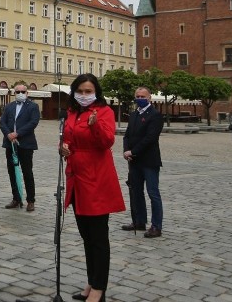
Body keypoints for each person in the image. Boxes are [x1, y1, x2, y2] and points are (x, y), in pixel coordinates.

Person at [60, 73, 125, 302]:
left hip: (96, 179)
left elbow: (107, 141)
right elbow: (67, 138)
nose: (84, 95)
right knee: (86, 236)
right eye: (81, 91)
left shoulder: (103, 112)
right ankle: (91, 281)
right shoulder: (71, 112)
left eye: (88, 91)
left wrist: (96, 125)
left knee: (98, 237)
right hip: (76, 179)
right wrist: (63, 148)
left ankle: (99, 288)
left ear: (95, 92)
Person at [123, 86, 164, 238]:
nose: (139, 98)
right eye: (137, 96)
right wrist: (126, 150)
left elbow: (150, 138)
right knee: (135, 192)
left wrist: (133, 151)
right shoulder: (133, 114)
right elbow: (127, 135)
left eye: (142, 96)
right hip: (134, 161)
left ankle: (156, 226)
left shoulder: (155, 115)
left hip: (149, 161)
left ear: (149, 98)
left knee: (153, 193)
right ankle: (139, 221)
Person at [0, 83, 41, 211]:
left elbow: (33, 122)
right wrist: (8, 134)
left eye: (23, 91)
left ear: (27, 93)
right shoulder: (9, 107)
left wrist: (18, 133)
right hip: (10, 143)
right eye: (18, 92)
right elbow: (2, 122)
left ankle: (30, 200)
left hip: (26, 144)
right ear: (14, 93)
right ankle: (16, 198)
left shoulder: (33, 106)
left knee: (27, 172)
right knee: (12, 171)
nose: (20, 94)